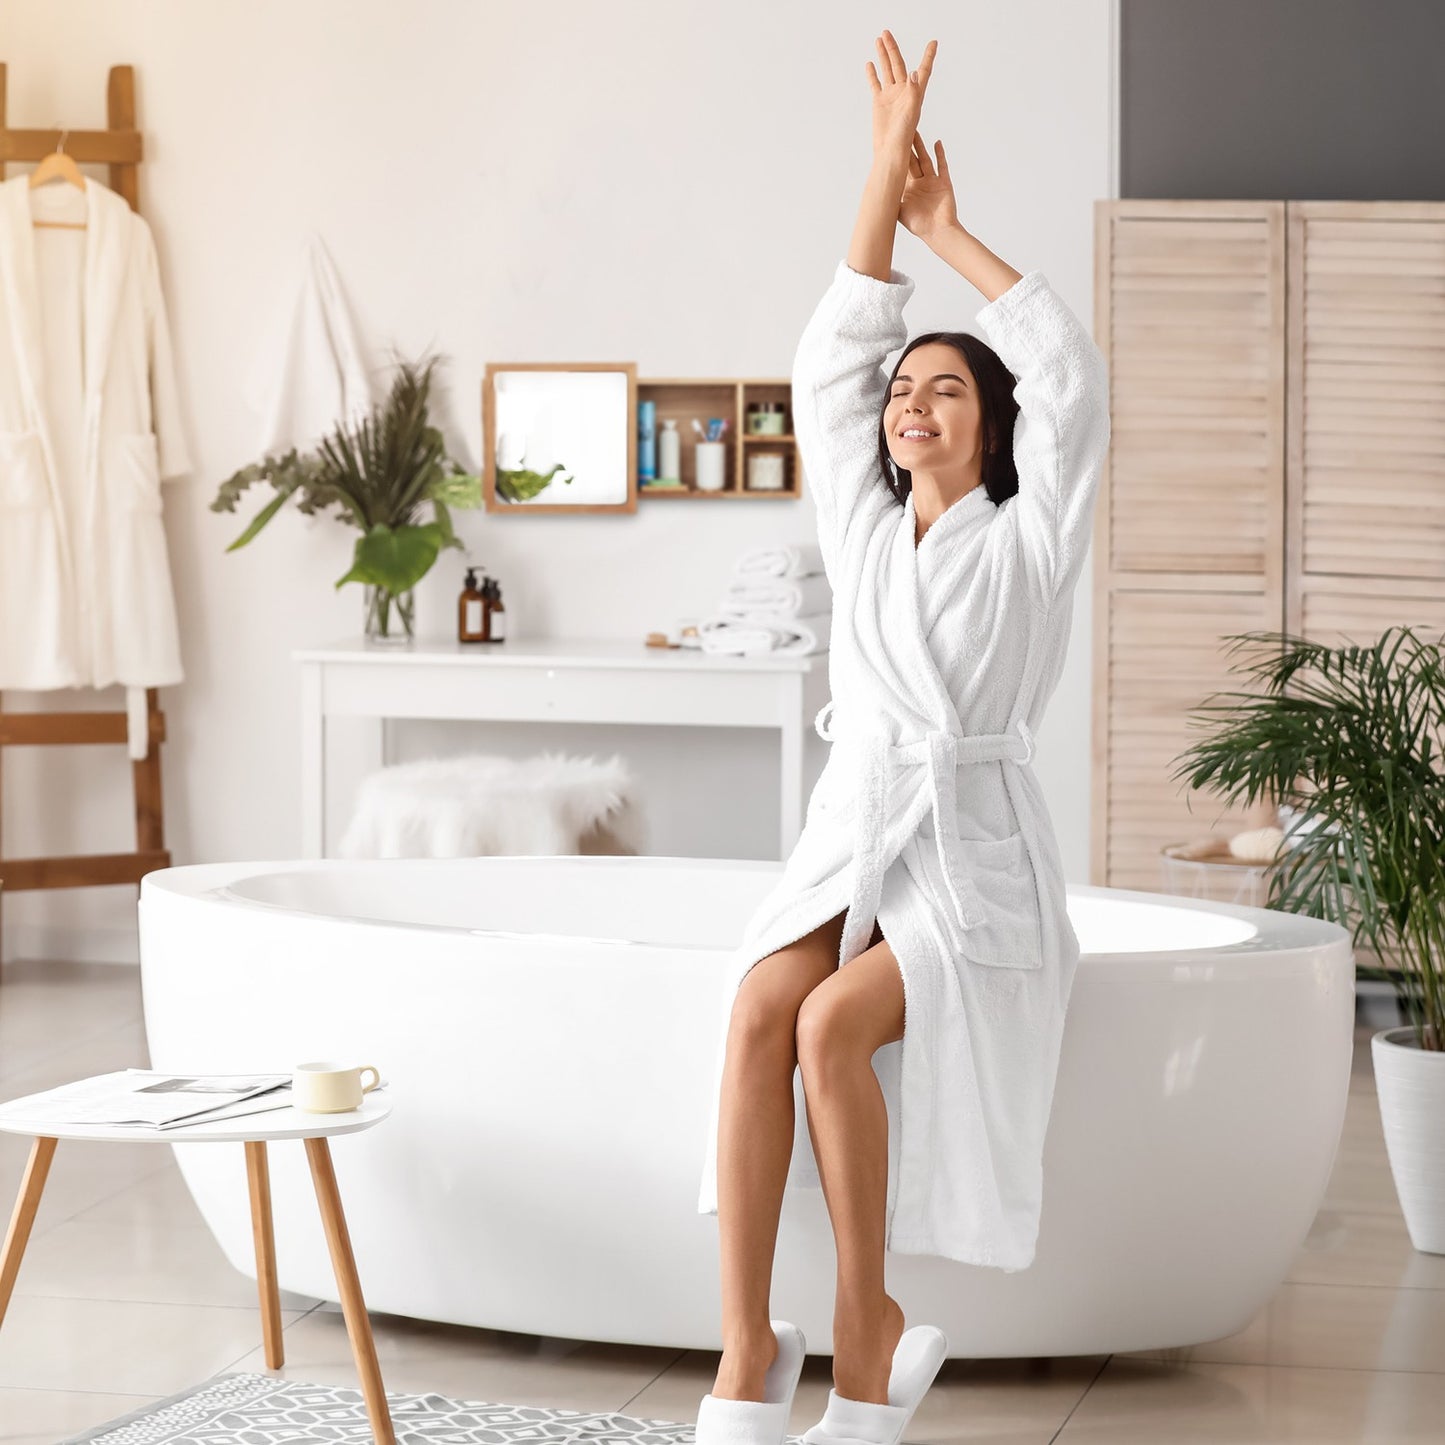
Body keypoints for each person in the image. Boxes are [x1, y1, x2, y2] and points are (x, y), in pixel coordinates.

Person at [694, 27, 1112, 1445]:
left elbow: (1072, 383)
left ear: (990, 429)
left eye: (945, 387)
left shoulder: (1032, 540)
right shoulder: (863, 535)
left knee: (827, 1020)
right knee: (758, 1007)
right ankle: (750, 1342)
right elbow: (834, 350)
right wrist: (879, 173)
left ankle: (864, 1317)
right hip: (857, 819)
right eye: (902, 391)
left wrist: (950, 229)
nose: (907, 400)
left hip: (971, 845)